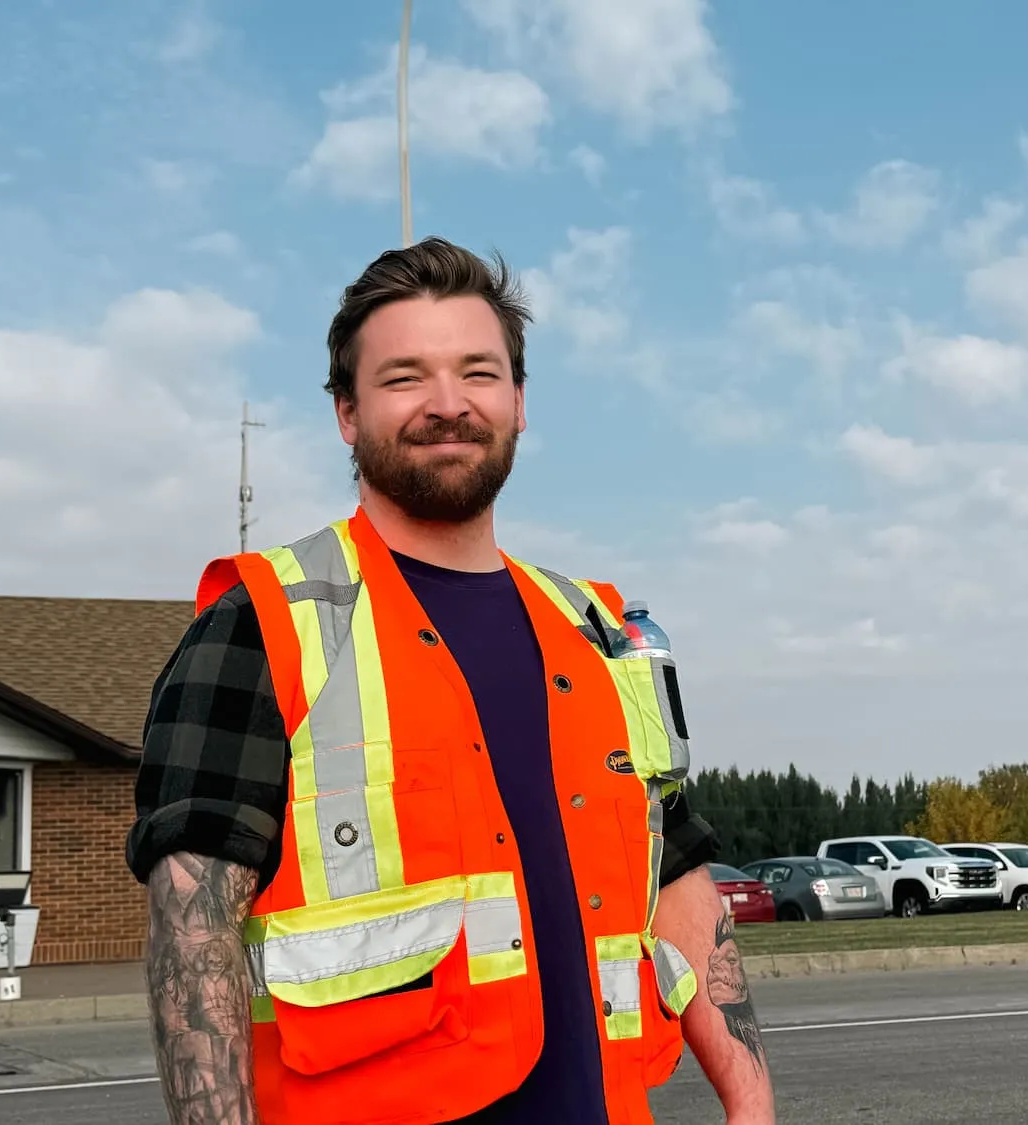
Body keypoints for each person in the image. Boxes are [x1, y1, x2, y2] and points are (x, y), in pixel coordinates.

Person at [125, 236, 777, 1125]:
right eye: (403, 377)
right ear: (346, 413)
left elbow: (678, 871)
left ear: (517, 401)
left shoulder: (600, 630)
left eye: (478, 371)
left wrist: (750, 1099)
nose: (447, 404)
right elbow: (190, 929)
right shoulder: (262, 623)